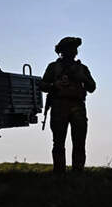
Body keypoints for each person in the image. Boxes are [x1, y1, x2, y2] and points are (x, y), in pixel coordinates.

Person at [40, 37, 96, 173]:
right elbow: (42, 85)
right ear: (62, 51)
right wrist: (54, 85)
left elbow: (92, 87)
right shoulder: (53, 67)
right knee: (58, 142)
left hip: (78, 106)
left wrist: (83, 78)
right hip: (59, 105)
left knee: (79, 142)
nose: (73, 51)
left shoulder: (82, 68)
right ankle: (59, 172)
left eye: (74, 48)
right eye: (70, 48)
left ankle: (78, 172)